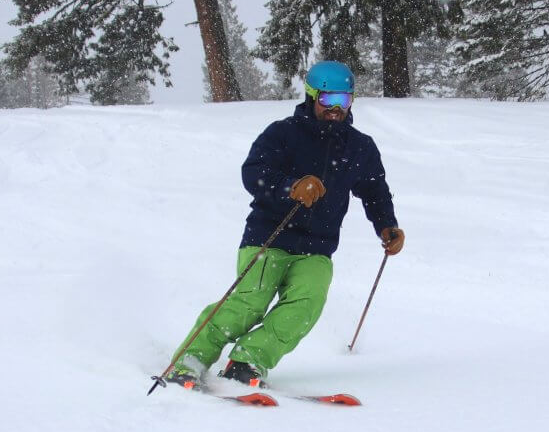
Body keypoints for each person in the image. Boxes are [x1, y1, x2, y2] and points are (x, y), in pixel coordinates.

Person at [165, 60, 404, 389]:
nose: (336, 109)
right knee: (248, 305)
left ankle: (249, 360)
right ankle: (191, 358)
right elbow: (253, 172)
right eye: (328, 100)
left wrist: (387, 226)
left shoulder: (360, 146)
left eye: (343, 101)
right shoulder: (283, 133)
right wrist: (290, 187)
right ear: (311, 96)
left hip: (317, 247)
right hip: (268, 237)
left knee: (306, 307)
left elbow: (374, 191)